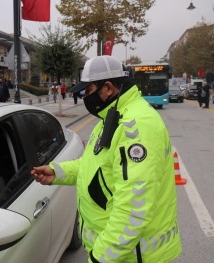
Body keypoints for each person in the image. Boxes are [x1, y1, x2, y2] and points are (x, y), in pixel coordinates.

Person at [31, 55, 182, 263]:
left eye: (89, 91)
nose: (85, 97)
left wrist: (100, 258)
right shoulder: (111, 116)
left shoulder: (136, 128)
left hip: (131, 256)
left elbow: (133, 209)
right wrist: (58, 172)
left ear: (108, 88)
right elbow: (95, 166)